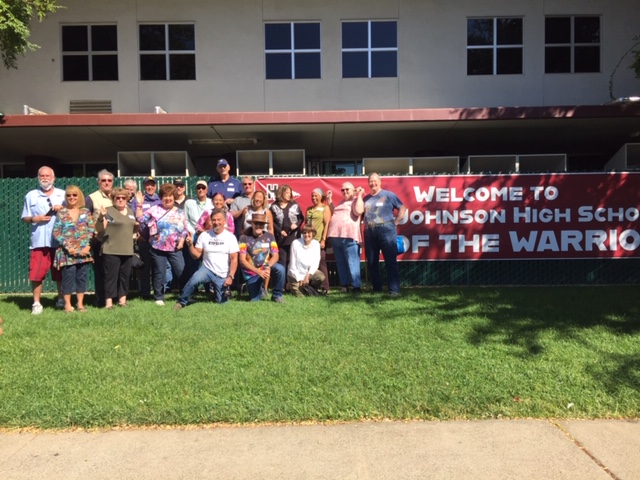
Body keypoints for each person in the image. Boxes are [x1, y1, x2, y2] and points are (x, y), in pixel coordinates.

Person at [21, 166, 66, 314]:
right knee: (37, 274)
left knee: (60, 272)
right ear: (38, 177)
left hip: (58, 240)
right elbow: (25, 217)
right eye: (42, 175)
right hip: (39, 241)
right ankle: (36, 303)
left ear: (53, 178)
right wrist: (35, 218)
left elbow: (72, 214)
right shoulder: (31, 195)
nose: (45, 178)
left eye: (48, 175)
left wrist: (62, 209)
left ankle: (61, 299)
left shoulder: (63, 194)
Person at [135, 183, 188, 306]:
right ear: (161, 197)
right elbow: (140, 219)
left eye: (170, 196)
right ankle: (159, 297)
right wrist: (139, 204)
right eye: (165, 196)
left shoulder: (180, 212)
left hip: (175, 247)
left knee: (181, 270)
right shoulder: (155, 209)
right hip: (157, 247)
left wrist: (181, 241)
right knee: (160, 272)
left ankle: (185, 295)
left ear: (174, 197)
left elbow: (185, 229)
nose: (168, 198)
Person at [174, 208, 239, 308]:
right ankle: (181, 301)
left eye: (219, 219)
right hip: (206, 269)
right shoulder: (204, 235)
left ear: (224, 221)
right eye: (214, 220)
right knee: (193, 281)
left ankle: (217, 294)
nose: (216, 222)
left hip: (222, 273)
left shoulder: (230, 237)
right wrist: (190, 245)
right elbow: (196, 255)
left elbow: (234, 259)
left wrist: (230, 276)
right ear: (210, 221)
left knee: (222, 303)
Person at [362, 173, 407, 296]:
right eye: (370, 181)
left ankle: (394, 290)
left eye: (375, 181)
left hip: (386, 230)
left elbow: (402, 208)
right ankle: (377, 289)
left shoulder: (389, 195)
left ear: (380, 182)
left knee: (390, 261)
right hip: (370, 231)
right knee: (372, 262)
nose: (373, 183)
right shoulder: (365, 199)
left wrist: (396, 222)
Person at [52, 185, 95, 312]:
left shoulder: (85, 212)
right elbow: (56, 233)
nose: (71, 197)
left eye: (74, 195)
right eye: (69, 195)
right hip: (67, 253)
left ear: (79, 196)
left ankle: (80, 304)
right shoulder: (62, 213)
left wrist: (88, 246)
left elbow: (91, 230)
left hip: (83, 252)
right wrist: (67, 246)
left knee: (82, 277)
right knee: (68, 278)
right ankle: (67, 305)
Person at [100, 187, 139, 309]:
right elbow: (100, 229)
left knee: (124, 276)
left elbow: (133, 227)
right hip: (111, 249)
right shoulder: (108, 211)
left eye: (123, 198)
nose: (121, 200)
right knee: (111, 277)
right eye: (118, 198)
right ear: (113, 199)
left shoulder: (130, 212)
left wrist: (135, 233)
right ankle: (109, 303)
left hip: (127, 249)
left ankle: (122, 300)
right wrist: (101, 218)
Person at [326, 181, 364, 293]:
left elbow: (358, 211)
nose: (345, 191)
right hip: (335, 236)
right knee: (341, 262)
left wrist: (359, 195)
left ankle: (356, 286)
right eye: (343, 190)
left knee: (352, 261)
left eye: (347, 189)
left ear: (353, 191)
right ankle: (344, 285)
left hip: (349, 236)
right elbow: (334, 212)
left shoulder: (356, 200)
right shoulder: (341, 202)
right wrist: (330, 200)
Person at [238, 213, 285, 303]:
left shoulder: (270, 236)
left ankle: (277, 295)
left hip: (265, 268)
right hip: (251, 273)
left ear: (264, 226)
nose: (259, 226)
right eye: (256, 223)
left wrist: (268, 266)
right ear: (252, 224)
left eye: (261, 224)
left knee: (280, 269)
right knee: (255, 300)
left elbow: (276, 255)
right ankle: (253, 288)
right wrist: (258, 271)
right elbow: (242, 260)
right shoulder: (243, 238)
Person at [85, 169, 114, 307]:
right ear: (98, 182)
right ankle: (100, 300)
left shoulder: (117, 196)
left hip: (116, 240)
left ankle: (114, 299)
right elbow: (85, 219)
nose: (107, 183)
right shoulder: (92, 198)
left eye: (109, 180)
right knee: (101, 272)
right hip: (100, 240)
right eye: (103, 180)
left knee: (113, 272)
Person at [131, 176, 162, 299]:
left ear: (155, 186)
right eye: (147, 185)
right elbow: (133, 218)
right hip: (143, 239)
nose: (150, 187)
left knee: (158, 267)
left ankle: (158, 291)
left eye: (152, 185)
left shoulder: (159, 200)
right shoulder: (138, 200)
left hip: (157, 240)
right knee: (145, 267)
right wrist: (137, 233)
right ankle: (145, 293)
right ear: (144, 186)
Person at [183, 180, 213, 282]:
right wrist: (191, 233)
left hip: (209, 236)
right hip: (194, 236)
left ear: (207, 190)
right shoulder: (189, 203)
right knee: (193, 262)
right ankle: (193, 286)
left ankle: (209, 287)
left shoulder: (212, 202)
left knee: (209, 261)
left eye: (203, 188)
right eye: (198, 188)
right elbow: (185, 220)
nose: (200, 190)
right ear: (195, 190)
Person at [270, 184, 303, 271]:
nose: (289, 194)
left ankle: (293, 283)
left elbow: (301, 218)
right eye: (287, 193)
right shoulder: (274, 206)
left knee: (294, 262)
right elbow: (271, 222)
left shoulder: (294, 204)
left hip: (294, 238)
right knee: (282, 262)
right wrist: (279, 231)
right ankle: (283, 283)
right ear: (281, 193)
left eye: (290, 193)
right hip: (281, 239)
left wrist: (296, 224)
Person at [305, 188, 332, 293]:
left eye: (316, 196)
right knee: (309, 263)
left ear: (321, 196)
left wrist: (323, 240)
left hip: (318, 240)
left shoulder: (325, 208)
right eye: (312, 196)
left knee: (321, 262)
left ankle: (326, 287)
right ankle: (312, 286)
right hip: (308, 241)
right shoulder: (309, 209)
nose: (314, 198)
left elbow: (326, 225)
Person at [287, 225, 326, 297]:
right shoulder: (295, 243)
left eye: (309, 233)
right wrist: (299, 278)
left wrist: (307, 276)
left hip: (308, 273)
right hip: (295, 274)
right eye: (304, 233)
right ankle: (290, 285)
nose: (306, 235)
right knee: (301, 296)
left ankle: (311, 287)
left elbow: (315, 263)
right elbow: (292, 264)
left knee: (320, 276)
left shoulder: (316, 244)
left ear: (313, 234)